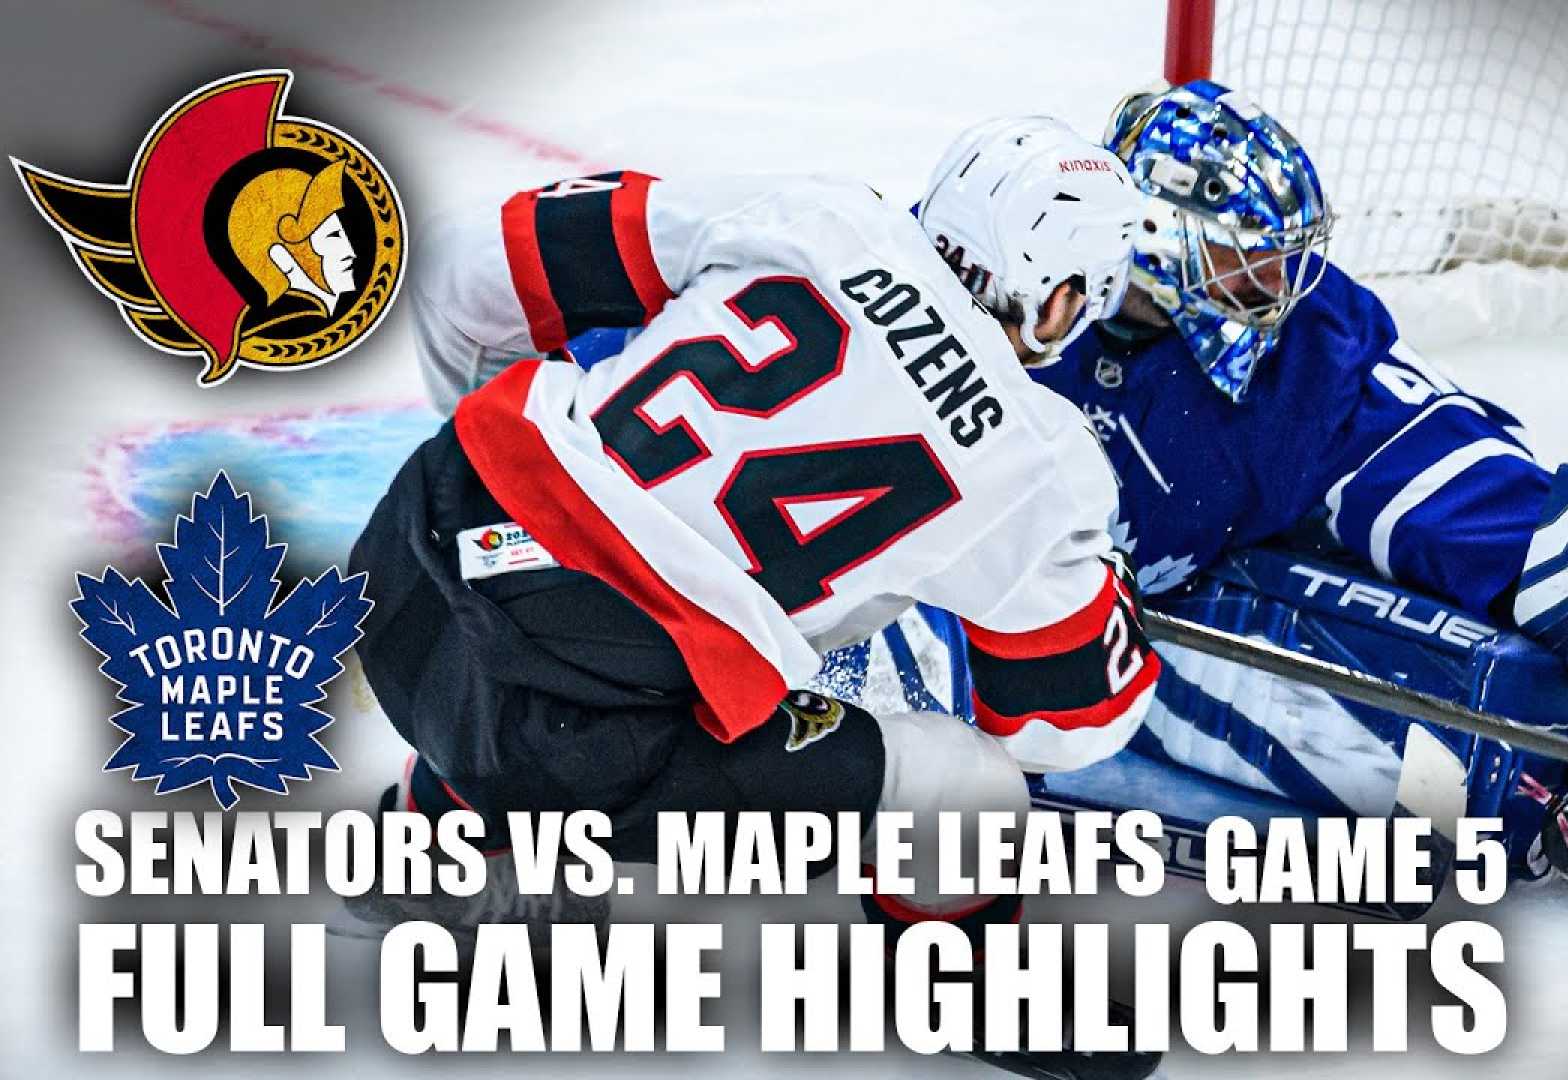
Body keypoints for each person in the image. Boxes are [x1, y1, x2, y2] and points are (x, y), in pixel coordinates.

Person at [338, 117, 1163, 1078]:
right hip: (564, 733)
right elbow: (1061, 725)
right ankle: (958, 987)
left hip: (405, 562)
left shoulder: (820, 214)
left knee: (543, 625)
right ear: (1061, 298)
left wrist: (521, 503)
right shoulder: (1040, 459)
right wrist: (1101, 588)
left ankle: (428, 844)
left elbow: (478, 267)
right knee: (961, 781)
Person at [1021, 80, 1568, 884]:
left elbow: (1428, 463)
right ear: (1157, 233)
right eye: (1248, 256)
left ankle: (1566, 775)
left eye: (1280, 256)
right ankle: (1533, 789)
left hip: (1191, 556)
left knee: (1511, 650)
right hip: (1055, 597)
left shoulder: (1295, 353)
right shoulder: (1020, 283)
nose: (1276, 281)